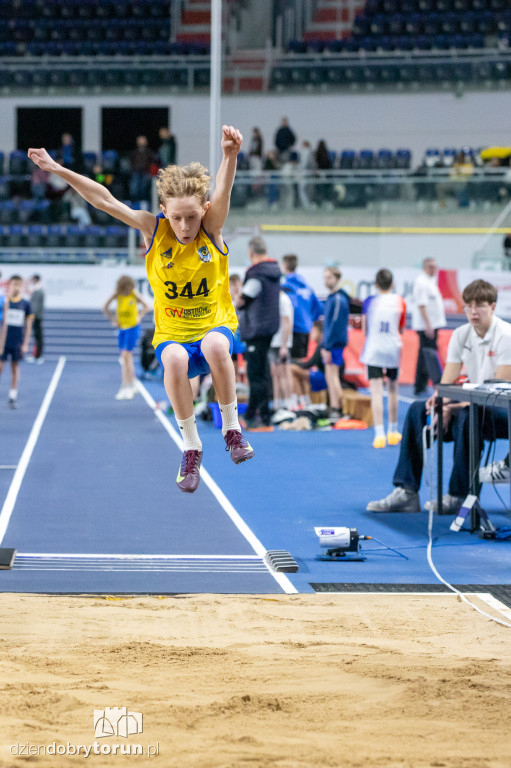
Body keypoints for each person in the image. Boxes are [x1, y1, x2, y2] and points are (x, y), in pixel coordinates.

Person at [29, 124, 255, 494]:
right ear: (163, 210)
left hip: (214, 324)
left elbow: (223, 190)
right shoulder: (154, 229)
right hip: (173, 333)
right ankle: (191, 445)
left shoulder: (211, 230)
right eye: (177, 217)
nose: (185, 226)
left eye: (192, 217)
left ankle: (232, 429)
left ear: (205, 211)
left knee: (216, 347)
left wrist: (230, 155)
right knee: (176, 362)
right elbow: (105, 200)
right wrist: (58, 170)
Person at [367, 279, 511, 515]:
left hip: (502, 412)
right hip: (472, 405)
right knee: (417, 409)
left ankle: (458, 495)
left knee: (467, 415)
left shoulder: (506, 335)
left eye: (480, 305)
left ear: (493, 307)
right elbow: (447, 383)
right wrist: (440, 403)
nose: (473, 311)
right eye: (468, 306)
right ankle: (407, 492)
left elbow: (496, 392)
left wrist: (451, 408)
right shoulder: (460, 334)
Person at [237, 236, 281, 430]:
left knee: (256, 375)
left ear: (251, 252)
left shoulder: (257, 273)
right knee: (262, 373)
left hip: (257, 328)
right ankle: (258, 415)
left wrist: (237, 299)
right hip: (268, 327)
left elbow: (243, 298)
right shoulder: (273, 272)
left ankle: (259, 418)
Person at [360, 269, 406, 449]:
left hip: (374, 348)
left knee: (376, 391)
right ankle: (393, 431)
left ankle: (379, 433)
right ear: (392, 284)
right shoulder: (399, 301)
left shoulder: (370, 302)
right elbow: (401, 328)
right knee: (393, 389)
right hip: (392, 348)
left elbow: (365, 329)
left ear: (376, 284)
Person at [103, 275, 151, 400]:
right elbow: (105, 307)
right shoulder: (117, 294)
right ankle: (132, 383)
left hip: (132, 328)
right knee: (127, 358)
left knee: (125, 356)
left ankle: (125, 387)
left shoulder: (134, 294)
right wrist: (113, 320)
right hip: (122, 329)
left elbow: (147, 306)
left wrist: (139, 317)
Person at [411, 257, 445, 396]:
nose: (434, 269)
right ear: (425, 267)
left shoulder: (430, 282)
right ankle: (422, 385)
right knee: (427, 355)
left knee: (424, 355)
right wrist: (428, 325)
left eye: (435, 267)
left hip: (432, 324)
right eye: (431, 267)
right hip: (426, 326)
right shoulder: (421, 282)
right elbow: (421, 304)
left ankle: (421, 385)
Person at [281, 253, 323, 362]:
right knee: (301, 362)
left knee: (293, 366)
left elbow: (290, 307)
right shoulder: (308, 287)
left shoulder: (286, 287)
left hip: (293, 329)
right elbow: (319, 307)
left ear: (285, 265)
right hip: (305, 329)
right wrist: (310, 320)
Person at [0, 275, 34, 409]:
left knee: (14, 367)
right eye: (14, 284)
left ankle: (13, 395)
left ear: (22, 286)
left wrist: (25, 343)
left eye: (18, 284)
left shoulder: (25, 304)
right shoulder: (4, 302)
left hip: (17, 341)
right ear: (10, 285)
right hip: (3, 341)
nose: (16, 287)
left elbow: (29, 325)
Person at [322, 267, 350, 420]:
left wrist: (328, 346)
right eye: (325, 278)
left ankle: (338, 408)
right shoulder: (331, 297)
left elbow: (335, 325)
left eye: (329, 278)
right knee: (329, 375)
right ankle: (334, 406)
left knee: (333, 376)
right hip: (329, 343)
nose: (326, 281)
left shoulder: (339, 299)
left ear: (337, 279)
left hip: (335, 344)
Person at [269, 285, 294, 421]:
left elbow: (287, 322)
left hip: (280, 343)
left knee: (284, 373)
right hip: (275, 342)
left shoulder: (283, 299)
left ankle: (288, 404)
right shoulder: (278, 298)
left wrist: (284, 345)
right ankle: (277, 404)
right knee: (276, 375)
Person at [290, 320, 326, 409]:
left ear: (320, 332)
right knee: (297, 373)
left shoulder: (323, 345)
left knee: (292, 369)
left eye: (314, 331)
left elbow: (308, 364)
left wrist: (291, 362)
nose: (311, 334)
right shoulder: (322, 344)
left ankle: (301, 401)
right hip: (322, 375)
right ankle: (303, 401)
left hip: (323, 377)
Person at [129, 135, 153, 205]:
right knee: (134, 188)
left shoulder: (149, 152)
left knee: (144, 188)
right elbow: (131, 161)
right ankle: (134, 203)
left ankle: (143, 203)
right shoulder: (134, 152)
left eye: (143, 140)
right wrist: (134, 168)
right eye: (140, 140)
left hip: (146, 172)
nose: (141, 142)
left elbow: (152, 162)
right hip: (136, 172)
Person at [30, 274, 45, 363]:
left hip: (37, 316)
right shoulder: (38, 289)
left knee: (38, 336)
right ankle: (37, 355)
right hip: (38, 315)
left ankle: (38, 355)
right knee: (37, 336)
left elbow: (35, 305)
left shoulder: (38, 290)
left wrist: (33, 315)